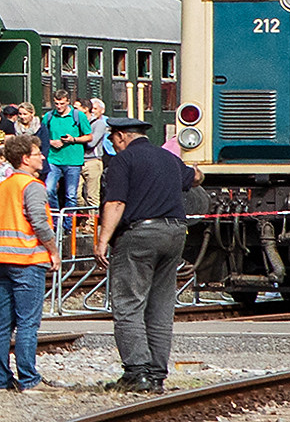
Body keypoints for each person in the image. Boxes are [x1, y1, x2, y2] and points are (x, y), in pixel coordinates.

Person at [94, 117, 201, 393]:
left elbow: (116, 202)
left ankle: (137, 372)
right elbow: (196, 178)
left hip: (140, 234)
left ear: (120, 137)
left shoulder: (122, 161)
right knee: (161, 307)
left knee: (129, 303)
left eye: (113, 139)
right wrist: (198, 171)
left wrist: (103, 240)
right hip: (175, 233)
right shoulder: (168, 158)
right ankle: (156, 374)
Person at [0, 134, 61, 391]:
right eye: (38, 153)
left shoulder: (2, 186)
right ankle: (29, 379)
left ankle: (1, 379)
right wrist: (53, 251)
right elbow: (39, 222)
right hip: (27, 259)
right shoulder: (33, 186)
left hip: (0, 260)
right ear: (26, 159)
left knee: (3, 322)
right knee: (28, 322)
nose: (42, 157)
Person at [43, 88, 93, 215]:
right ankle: (54, 222)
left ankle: (68, 225)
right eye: (56, 104)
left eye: (62, 104)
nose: (59, 107)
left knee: (71, 195)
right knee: (49, 190)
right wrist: (51, 142)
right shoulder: (49, 116)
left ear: (68, 102)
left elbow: (89, 136)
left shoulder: (78, 116)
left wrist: (73, 139)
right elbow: (41, 137)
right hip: (53, 159)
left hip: (73, 160)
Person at [82, 98, 111, 217]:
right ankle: (85, 217)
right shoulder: (80, 122)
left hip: (97, 158)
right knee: (75, 195)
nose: (93, 111)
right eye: (91, 108)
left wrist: (77, 139)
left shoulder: (101, 123)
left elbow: (91, 143)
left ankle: (92, 223)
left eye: (95, 108)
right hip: (79, 161)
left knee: (92, 194)